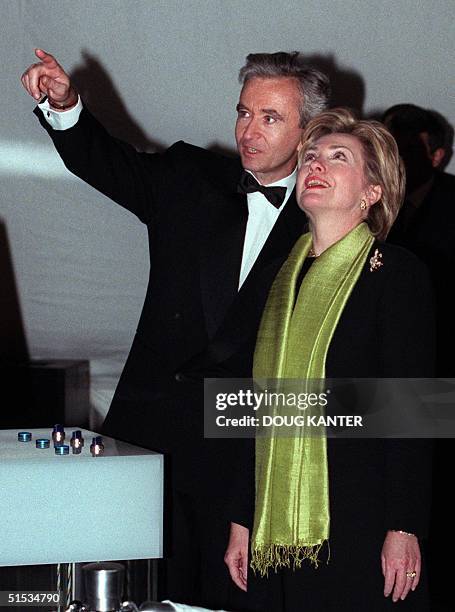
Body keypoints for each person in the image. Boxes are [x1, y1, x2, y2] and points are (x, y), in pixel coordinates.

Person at [20, 49, 330, 608]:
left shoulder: (325, 224)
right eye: (243, 112)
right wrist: (64, 107)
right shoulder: (191, 176)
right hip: (150, 437)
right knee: (132, 594)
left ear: (309, 130)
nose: (248, 131)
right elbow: (108, 163)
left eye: (270, 118)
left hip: (244, 462)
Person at [225, 108, 434, 611]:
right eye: (312, 156)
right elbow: (249, 406)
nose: (316, 164)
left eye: (339, 158)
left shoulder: (395, 274)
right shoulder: (274, 277)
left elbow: (414, 410)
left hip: (361, 516)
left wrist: (404, 526)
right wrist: (239, 518)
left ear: (373, 193)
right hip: (275, 522)